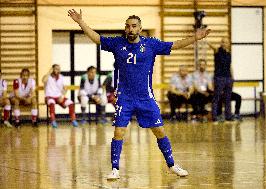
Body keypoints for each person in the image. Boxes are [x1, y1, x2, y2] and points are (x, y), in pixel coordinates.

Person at [68, 9, 210, 179]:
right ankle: (115, 169)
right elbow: (96, 38)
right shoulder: (117, 43)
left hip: (146, 98)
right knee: (118, 132)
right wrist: (80, 22)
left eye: (134, 26)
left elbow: (175, 45)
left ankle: (172, 165)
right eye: (127, 26)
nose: (130, 29)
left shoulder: (151, 44)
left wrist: (196, 37)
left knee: (159, 132)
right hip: (125, 98)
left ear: (140, 29)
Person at [208, 38, 234, 123]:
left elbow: (230, 66)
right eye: (222, 42)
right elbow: (211, 45)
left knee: (228, 98)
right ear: (221, 43)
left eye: (226, 42)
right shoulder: (217, 51)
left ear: (228, 44)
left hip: (228, 78)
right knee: (217, 98)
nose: (224, 43)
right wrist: (203, 37)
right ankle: (214, 117)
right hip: (219, 78)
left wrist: (232, 78)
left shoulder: (229, 53)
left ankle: (228, 117)